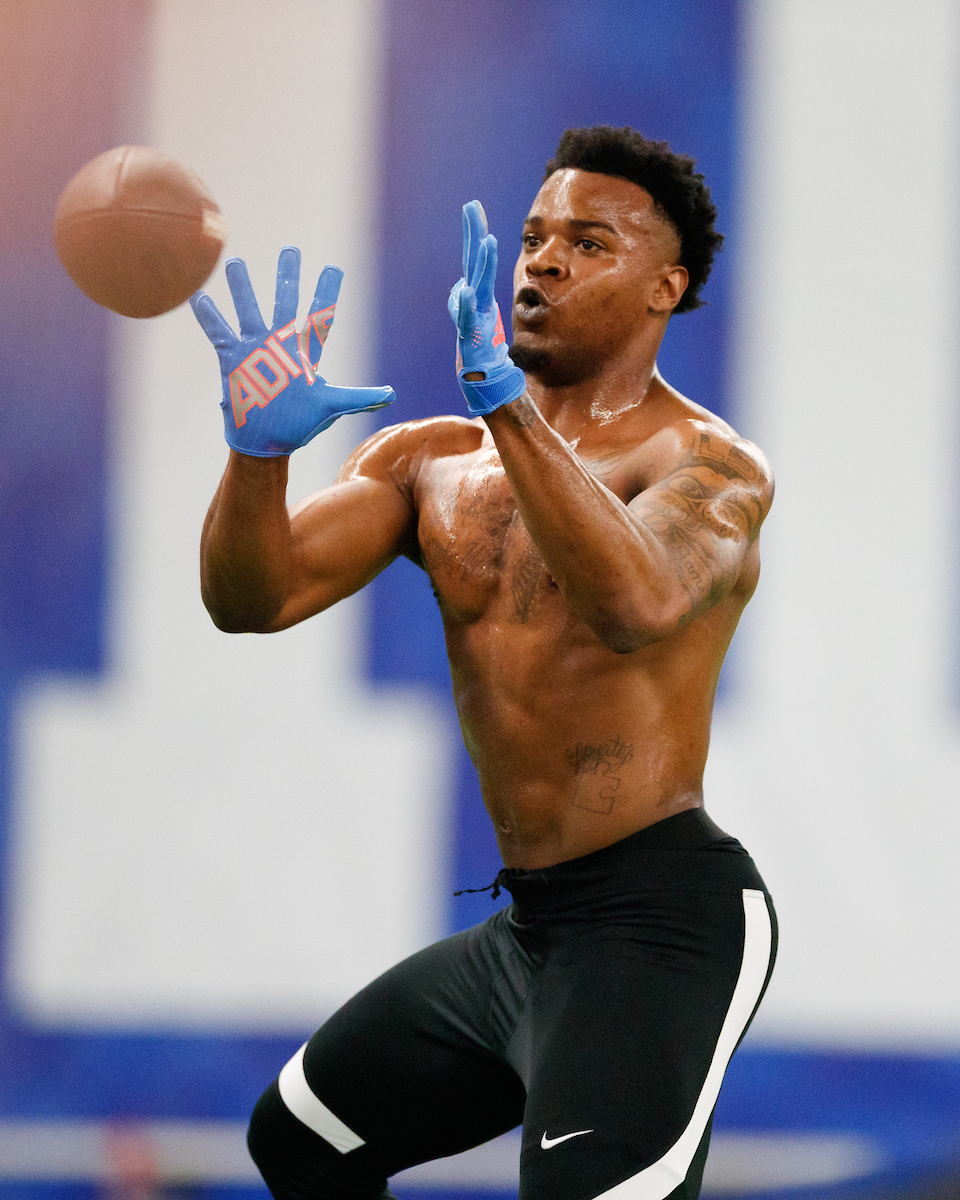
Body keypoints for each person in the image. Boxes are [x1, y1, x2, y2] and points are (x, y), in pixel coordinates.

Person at [191, 125, 777, 1200]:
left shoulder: (706, 462)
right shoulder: (427, 463)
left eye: (589, 243)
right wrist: (255, 457)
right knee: (302, 1139)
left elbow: (636, 602)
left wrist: (503, 399)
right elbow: (251, 598)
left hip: (660, 925)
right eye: (535, 237)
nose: (544, 261)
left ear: (665, 288)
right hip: (528, 935)